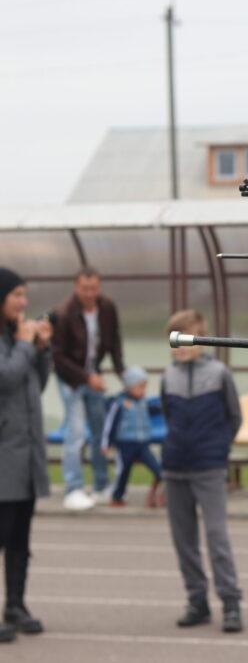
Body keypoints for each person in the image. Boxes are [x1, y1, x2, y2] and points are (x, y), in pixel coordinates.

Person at [161, 310, 244, 633]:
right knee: (183, 540)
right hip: (175, 468)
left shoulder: (220, 374)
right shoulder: (167, 377)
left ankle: (231, 602)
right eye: (175, 340)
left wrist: (218, 449)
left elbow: (234, 417)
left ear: (201, 338)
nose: (181, 347)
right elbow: (168, 416)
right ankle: (197, 601)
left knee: (216, 537)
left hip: (209, 467)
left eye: (187, 338)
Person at [0, 268, 51, 642]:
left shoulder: (15, 337)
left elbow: (37, 384)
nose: (24, 302)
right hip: (4, 456)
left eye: (24, 294)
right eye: (16, 295)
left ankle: (15, 605)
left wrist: (41, 349)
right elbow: (5, 379)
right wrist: (23, 344)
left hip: (26, 456)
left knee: (20, 539)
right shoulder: (12, 340)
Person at [52, 267, 124, 510]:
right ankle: (73, 489)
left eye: (94, 288)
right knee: (75, 432)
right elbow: (58, 357)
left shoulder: (107, 308)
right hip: (70, 379)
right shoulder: (64, 313)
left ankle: (101, 485)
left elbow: (114, 341)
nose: (90, 294)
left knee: (100, 430)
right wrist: (86, 377)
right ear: (76, 287)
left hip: (94, 374)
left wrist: (121, 372)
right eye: (85, 289)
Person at [100, 366, 164, 508]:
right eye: (140, 387)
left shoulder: (144, 403)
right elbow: (110, 424)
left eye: (145, 387)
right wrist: (106, 443)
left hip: (142, 444)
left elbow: (156, 409)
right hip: (125, 444)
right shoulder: (119, 403)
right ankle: (117, 497)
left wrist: (166, 406)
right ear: (129, 386)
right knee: (122, 472)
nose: (143, 390)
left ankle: (155, 492)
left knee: (158, 469)